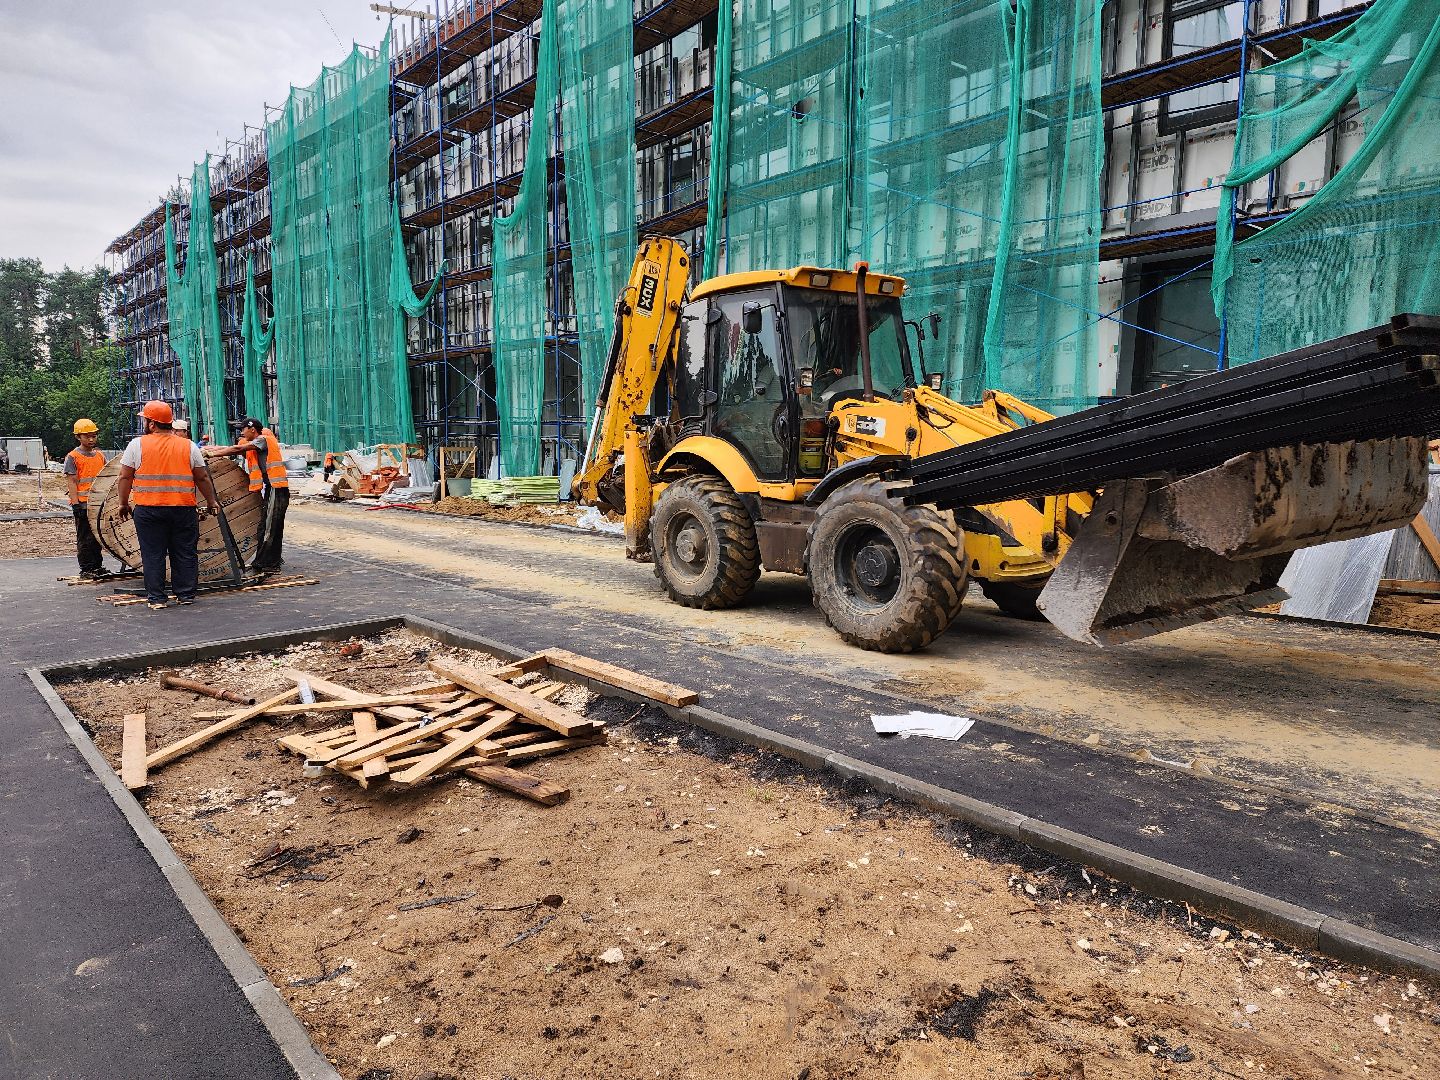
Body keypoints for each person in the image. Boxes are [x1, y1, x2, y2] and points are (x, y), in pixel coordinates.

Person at [117, 400, 220, 610]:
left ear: (152, 423)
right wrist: (211, 501)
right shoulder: (189, 445)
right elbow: (202, 478)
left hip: (149, 510)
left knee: (152, 553)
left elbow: (125, 477)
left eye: (145, 420)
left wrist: (122, 503)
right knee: (184, 551)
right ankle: (186, 595)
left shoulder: (137, 445)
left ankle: (156, 598)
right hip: (183, 509)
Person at [206, 417, 288, 573]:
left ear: (252, 429)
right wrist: (210, 449)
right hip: (273, 488)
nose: (241, 433)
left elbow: (236, 450)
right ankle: (270, 560)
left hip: (277, 488)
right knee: (269, 526)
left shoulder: (263, 439)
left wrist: (210, 454)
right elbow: (232, 447)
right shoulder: (256, 442)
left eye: (243, 429)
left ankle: (268, 563)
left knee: (269, 528)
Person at [65, 418, 109, 579]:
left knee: (97, 537)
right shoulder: (73, 457)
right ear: (78, 437)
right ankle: (86, 567)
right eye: (87, 436)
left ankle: (97, 566)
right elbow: (72, 481)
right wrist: (75, 504)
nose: (91, 439)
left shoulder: (100, 456)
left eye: (94, 436)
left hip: (98, 504)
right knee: (85, 538)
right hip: (83, 504)